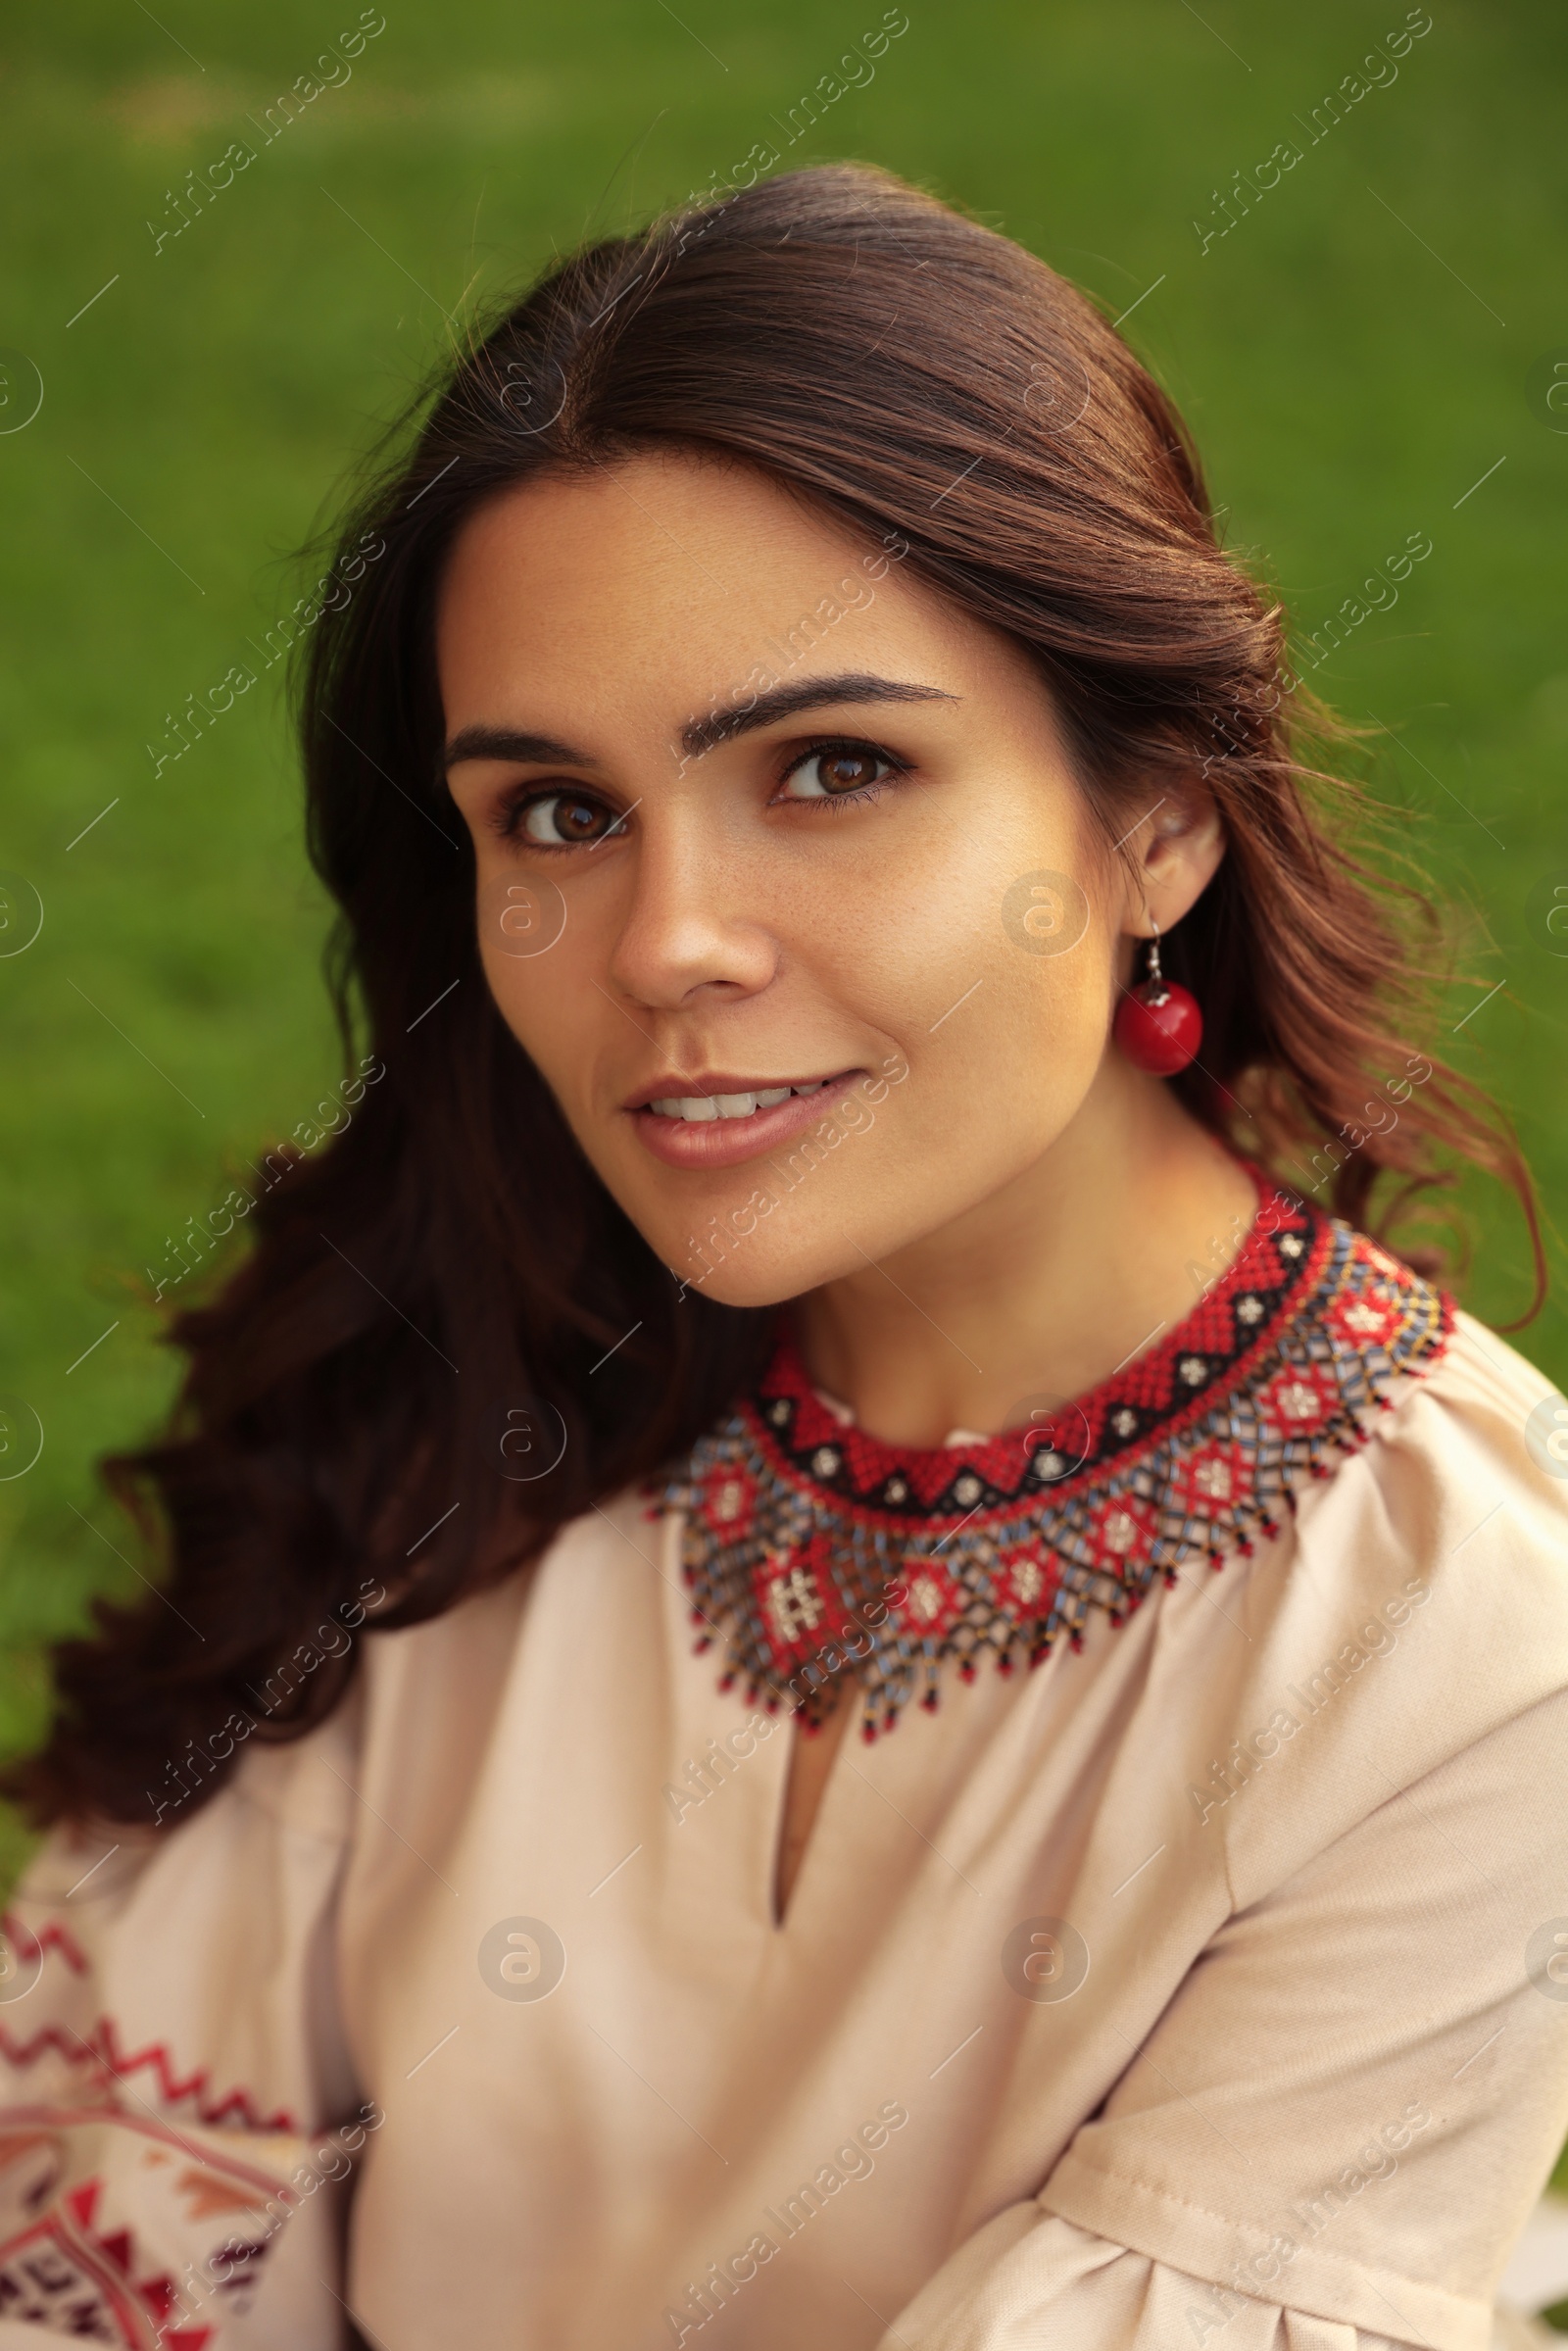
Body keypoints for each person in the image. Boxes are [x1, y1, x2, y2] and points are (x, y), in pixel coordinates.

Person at [1, 162, 1565, 2351]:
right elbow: (105, 2258)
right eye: (554, 811)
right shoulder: (453, 1383)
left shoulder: (1478, 1648)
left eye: (829, 769)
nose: (665, 946)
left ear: (1155, 817)